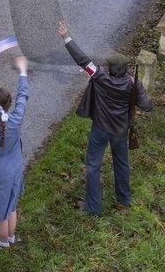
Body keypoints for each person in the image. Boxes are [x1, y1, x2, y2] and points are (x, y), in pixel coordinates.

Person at [60, 20, 152, 216]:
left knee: (93, 166)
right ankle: (123, 200)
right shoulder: (132, 83)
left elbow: (83, 60)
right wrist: (137, 90)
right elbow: (147, 105)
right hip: (120, 131)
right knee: (122, 164)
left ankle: (93, 208)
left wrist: (67, 37)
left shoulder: (99, 76)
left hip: (100, 129)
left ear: (111, 68)